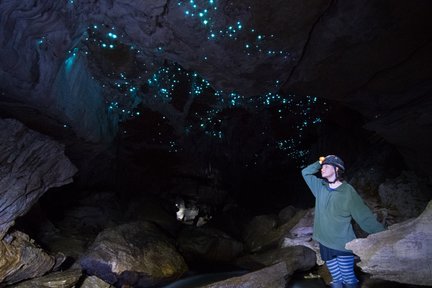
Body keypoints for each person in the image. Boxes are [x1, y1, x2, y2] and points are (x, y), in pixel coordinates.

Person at [301, 155, 385, 288]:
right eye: (323, 167)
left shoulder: (348, 192)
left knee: (349, 278)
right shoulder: (320, 187)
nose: (322, 169)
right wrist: (321, 161)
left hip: (343, 245)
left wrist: (383, 234)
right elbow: (305, 172)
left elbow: (364, 216)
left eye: (327, 166)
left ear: (337, 169)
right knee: (336, 279)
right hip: (324, 243)